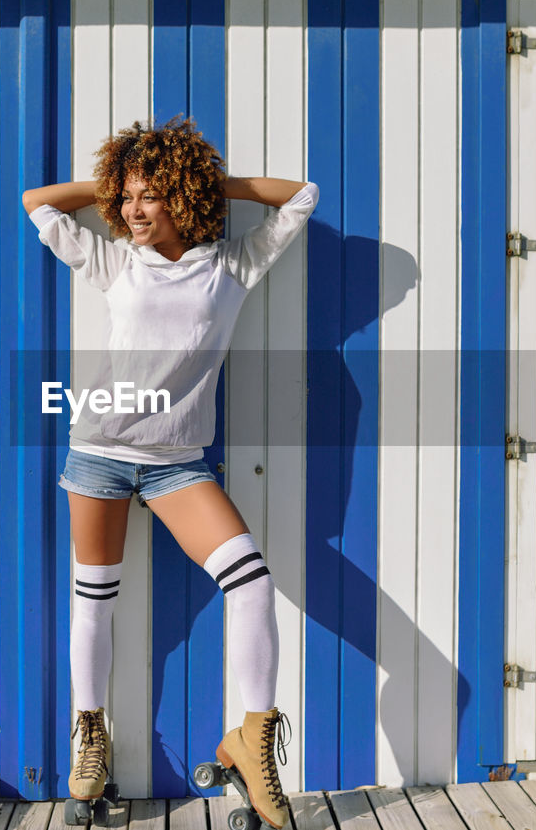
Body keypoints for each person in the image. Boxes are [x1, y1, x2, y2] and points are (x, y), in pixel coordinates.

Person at [22, 117, 317, 829]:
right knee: (95, 597)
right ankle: (91, 734)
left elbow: (302, 196)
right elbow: (37, 201)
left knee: (252, 581)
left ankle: (251, 737)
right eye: (126, 198)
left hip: (178, 464)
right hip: (99, 450)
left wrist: (203, 182)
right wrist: (114, 182)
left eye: (149, 196)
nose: (132, 211)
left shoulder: (232, 264)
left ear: (183, 195)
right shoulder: (117, 261)